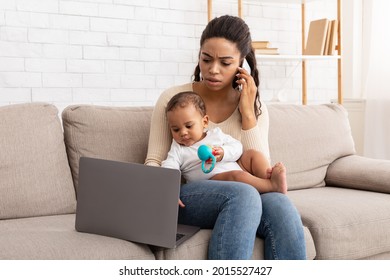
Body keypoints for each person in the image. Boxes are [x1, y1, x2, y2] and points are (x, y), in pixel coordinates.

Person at [145, 14, 306, 260]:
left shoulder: (253, 107)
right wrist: (164, 190)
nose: (213, 70)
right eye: (206, 59)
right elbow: (154, 160)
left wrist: (247, 113)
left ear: (242, 64)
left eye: (225, 63)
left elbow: (262, 169)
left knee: (281, 205)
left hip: (243, 189)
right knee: (243, 193)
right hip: (188, 194)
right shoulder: (174, 100)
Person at [161, 91, 287, 196]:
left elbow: (238, 147)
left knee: (253, 155)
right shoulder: (178, 148)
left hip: (237, 167)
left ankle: (266, 179)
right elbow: (169, 166)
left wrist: (223, 153)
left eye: (189, 126)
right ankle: (271, 186)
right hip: (211, 181)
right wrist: (169, 190)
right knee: (236, 176)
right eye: (176, 129)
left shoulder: (216, 134)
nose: (183, 133)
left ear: (204, 122)